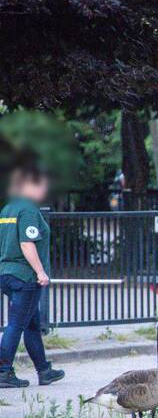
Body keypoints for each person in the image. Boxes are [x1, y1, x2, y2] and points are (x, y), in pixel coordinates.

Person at [0, 157, 64, 387]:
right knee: (17, 323)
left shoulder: (8, 208)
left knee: (31, 323)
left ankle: (44, 370)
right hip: (25, 277)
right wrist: (40, 272)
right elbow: (27, 243)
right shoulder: (28, 210)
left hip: (7, 274)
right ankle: (3, 371)